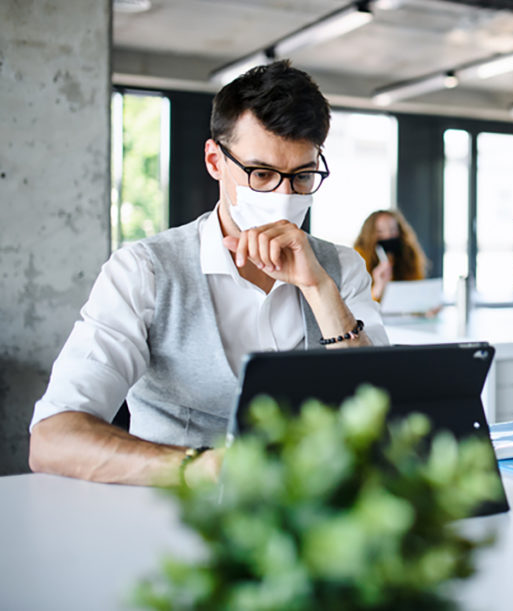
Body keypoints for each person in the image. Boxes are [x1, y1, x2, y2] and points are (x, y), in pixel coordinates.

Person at [28, 60, 387, 487]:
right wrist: (207, 468)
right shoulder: (144, 272)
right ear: (215, 160)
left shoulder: (341, 269)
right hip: (168, 519)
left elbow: (383, 413)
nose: (283, 196)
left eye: (303, 177)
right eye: (262, 174)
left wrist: (318, 289)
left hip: (313, 522)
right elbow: (52, 438)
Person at [353, 209, 428, 302]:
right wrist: (379, 286)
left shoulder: (408, 256)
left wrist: (425, 304)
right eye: (380, 231)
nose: (388, 235)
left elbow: (416, 290)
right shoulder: (357, 258)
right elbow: (357, 305)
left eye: (393, 230)